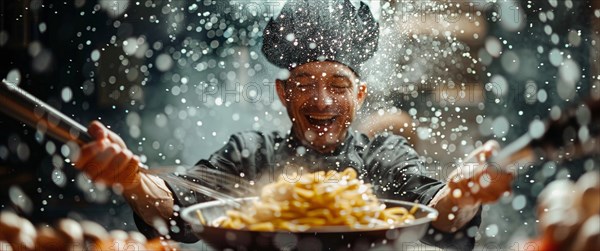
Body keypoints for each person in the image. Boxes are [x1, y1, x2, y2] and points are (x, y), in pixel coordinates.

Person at [73, 1, 513, 250]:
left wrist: (466, 188)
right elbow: (174, 206)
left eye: (338, 85)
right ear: (284, 94)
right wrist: (131, 177)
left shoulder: (384, 156)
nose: (321, 100)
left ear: (359, 96)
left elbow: (443, 214)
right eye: (304, 84)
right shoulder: (251, 153)